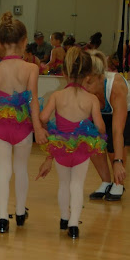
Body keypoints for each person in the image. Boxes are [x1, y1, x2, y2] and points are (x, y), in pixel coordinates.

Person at [0, 12, 47, 234]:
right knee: (20, 169)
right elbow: (33, 100)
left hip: (0, 125)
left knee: (3, 170)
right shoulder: (31, 69)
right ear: (24, 41)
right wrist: (38, 128)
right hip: (23, 127)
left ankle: (2, 219)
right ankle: (19, 213)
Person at [36, 48, 107, 239]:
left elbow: (43, 117)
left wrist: (47, 128)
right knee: (77, 184)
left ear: (65, 73)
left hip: (61, 148)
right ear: (88, 76)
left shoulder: (57, 96)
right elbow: (100, 126)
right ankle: (74, 225)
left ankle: (64, 218)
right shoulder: (91, 99)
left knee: (64, 184)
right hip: (82, 149)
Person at [85, 51, 130, 201]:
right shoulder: (86, 89)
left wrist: (118, 161)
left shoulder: (115, 85)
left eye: (89, 83)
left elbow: (117, 131)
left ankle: (118, 183)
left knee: (111, 142)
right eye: (84, 81)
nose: (85, 87)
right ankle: (106, 182)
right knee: (91, 138)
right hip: (110, 114)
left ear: (101, 77)